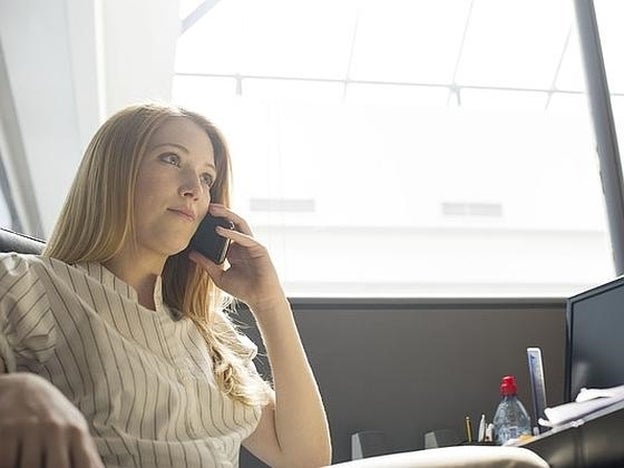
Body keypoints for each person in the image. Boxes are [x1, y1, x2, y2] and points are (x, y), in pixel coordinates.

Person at [0, 103, 331, 467]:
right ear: (114, 172)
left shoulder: (209, 334)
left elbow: (306, 459)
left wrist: (269, 303)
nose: (194, 189)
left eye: (207, 178)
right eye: (171, 159)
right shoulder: (26, 283)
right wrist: (15, 391)